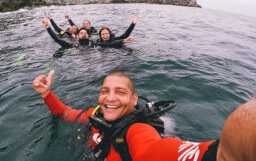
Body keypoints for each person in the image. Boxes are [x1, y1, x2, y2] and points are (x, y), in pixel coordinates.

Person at [33, 70, 256, 161]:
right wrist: (47, 94)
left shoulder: (137, 130)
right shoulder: (96, 113)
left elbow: (154, 151)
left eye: (120, 92)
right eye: (105, 91)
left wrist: (226, 151)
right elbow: (65, 113)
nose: (110, 98)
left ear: (134, 99)